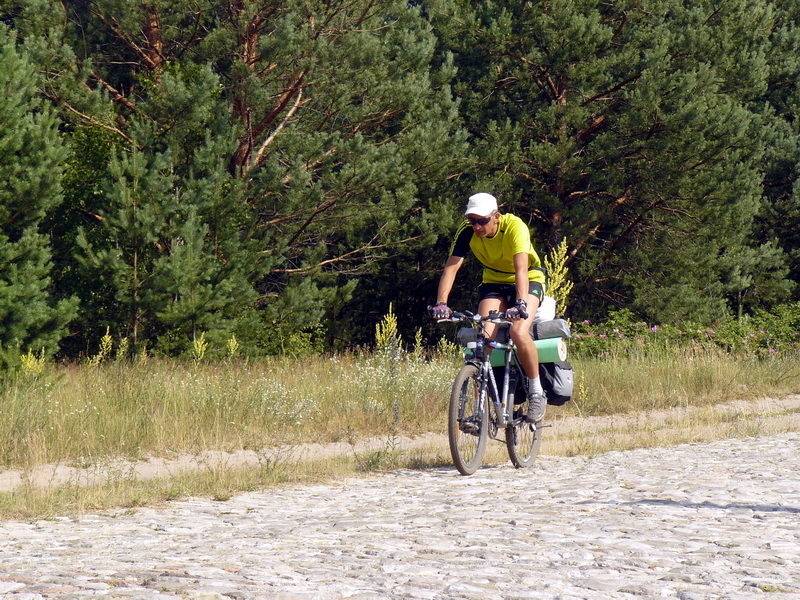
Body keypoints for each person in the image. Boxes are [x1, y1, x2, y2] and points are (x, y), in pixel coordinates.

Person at [430, 192, 548, 423]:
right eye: (472, 220)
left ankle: (536, 392)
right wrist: (441, 303)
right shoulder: (466, 231)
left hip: (529, 278)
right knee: (482, 340)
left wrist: (520, 303)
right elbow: (451, 269)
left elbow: (521, 270)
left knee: (518, 331)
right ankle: (480, 410)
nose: (476, 226)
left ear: (496, 216)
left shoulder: (515, 227)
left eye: (482, 220)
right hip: (494, 282)